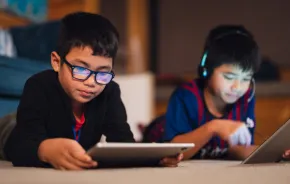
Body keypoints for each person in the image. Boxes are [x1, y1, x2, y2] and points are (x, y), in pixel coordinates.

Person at [2, 12, 182, 170]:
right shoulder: (38, 86)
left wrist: (153, 158)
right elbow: (19, 147)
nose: (91, 82)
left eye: (102, 73)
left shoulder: (109, 91)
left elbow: (122, 141)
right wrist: (45, 150)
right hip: (12, 129)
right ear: (57, 62)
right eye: (81, 70)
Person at [143, 25, 261, 160]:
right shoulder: (186, 96)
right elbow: (173, 152)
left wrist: (275, 153)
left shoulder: (246, 98)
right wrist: (213, 127)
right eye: (229, 77)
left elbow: (239, 150)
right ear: (207, 70)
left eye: (246, 79)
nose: (237, 86)